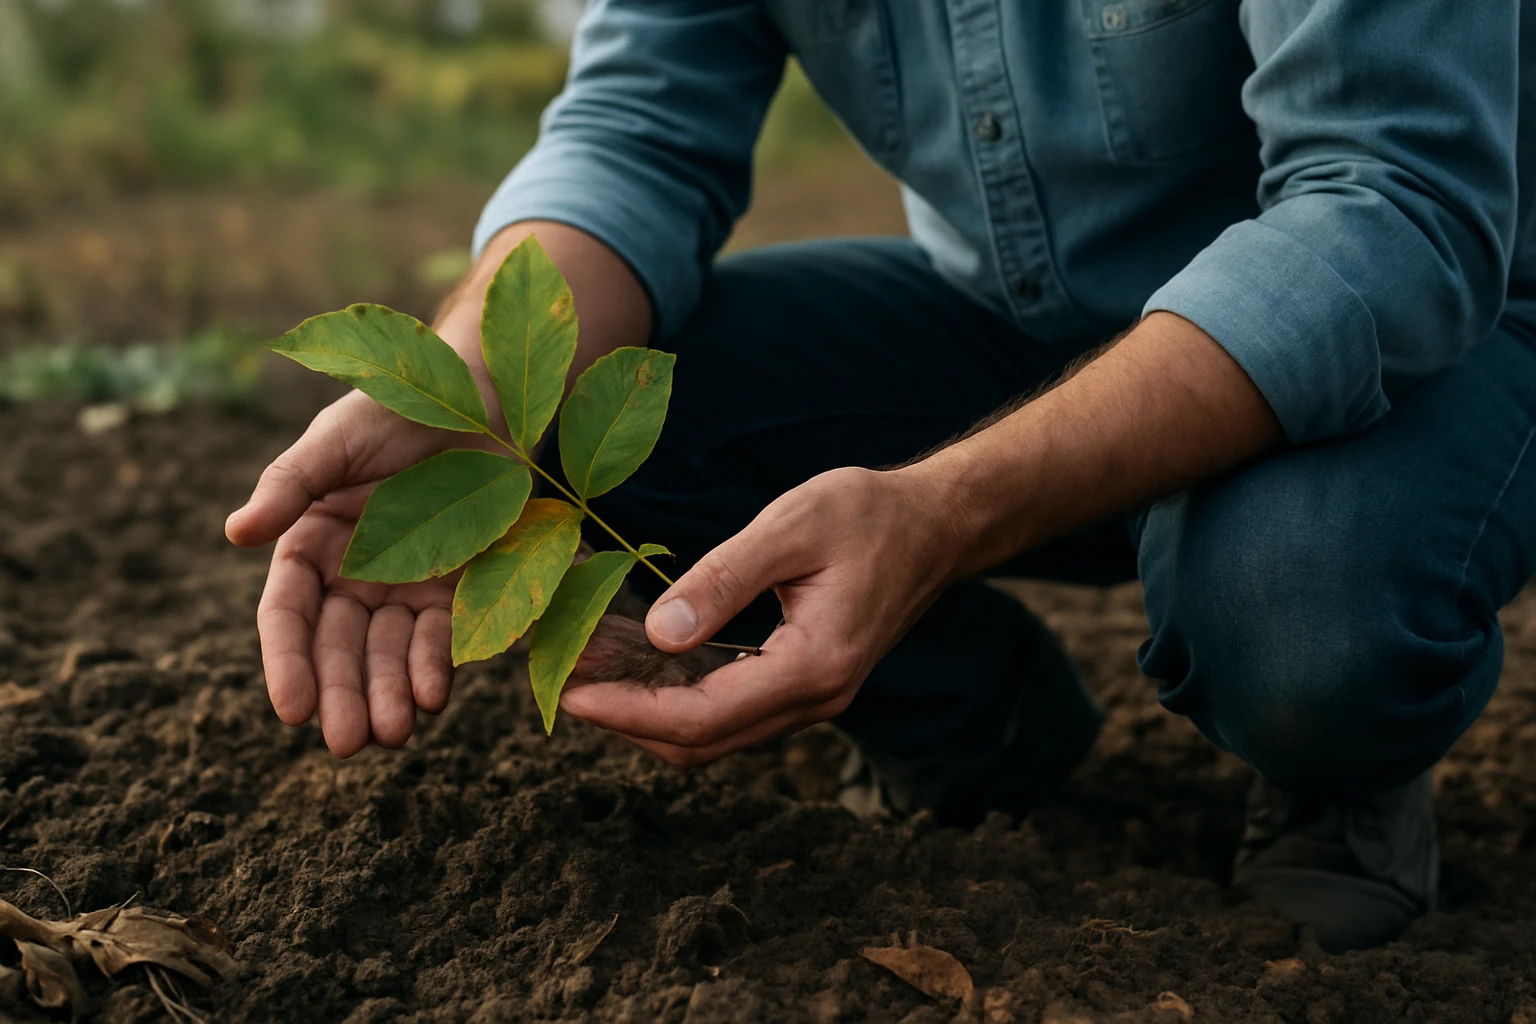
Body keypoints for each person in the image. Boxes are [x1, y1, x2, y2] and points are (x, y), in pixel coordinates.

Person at [226, 1, 1536, 952]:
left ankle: (1336, 773)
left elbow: (1386, 205)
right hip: (1022, 324)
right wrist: (471, 395)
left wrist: (942, 508)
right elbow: (635, 133)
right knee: (582, 421)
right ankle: (971, 720)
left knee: (1302, 610)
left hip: (1419, 333)